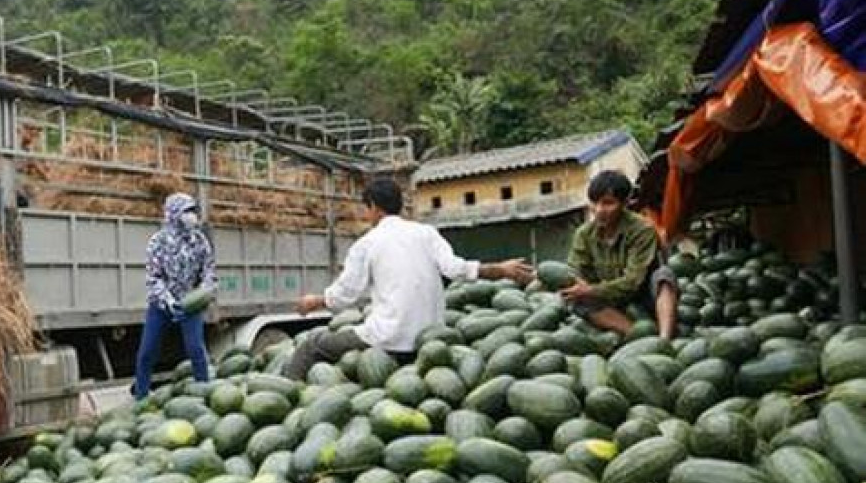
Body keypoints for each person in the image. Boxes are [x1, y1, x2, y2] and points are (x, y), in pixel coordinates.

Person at [287, 178, 533, 380]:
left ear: (373, 206)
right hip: (430, 340)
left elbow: (345, 294)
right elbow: (457, 269)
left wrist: (315, 301)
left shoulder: (367, 244)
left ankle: (291, 392)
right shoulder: (426, 233)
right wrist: (501, 269)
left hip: (386, 339)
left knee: (312, 345)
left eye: (366, 209)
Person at [561, 170, 679, 339]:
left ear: (625, 203)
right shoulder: (584, 234)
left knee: (664, 276)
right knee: (578, 300)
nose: (599, 209)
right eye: (594, 203)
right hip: (611, 303)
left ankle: (664, 339)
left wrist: (592, 290)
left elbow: (633, 281)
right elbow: (576, 270)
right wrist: (577, 285)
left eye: (608, 203)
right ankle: (636, 335)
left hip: (643, 297)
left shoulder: (642, 230)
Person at [133, 193, 217, 400]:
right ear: (173, 214)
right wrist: (169, 302)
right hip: (161, 306)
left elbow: (209, 272)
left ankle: (204, 392)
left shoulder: (199, 241)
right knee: (147, 351)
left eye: (192, 211)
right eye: (186, 211)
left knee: (196, 349)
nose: (191, 216)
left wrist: (204, 292)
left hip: (190, 304)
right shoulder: (157, 242)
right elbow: (153, 278)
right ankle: (141, 395)